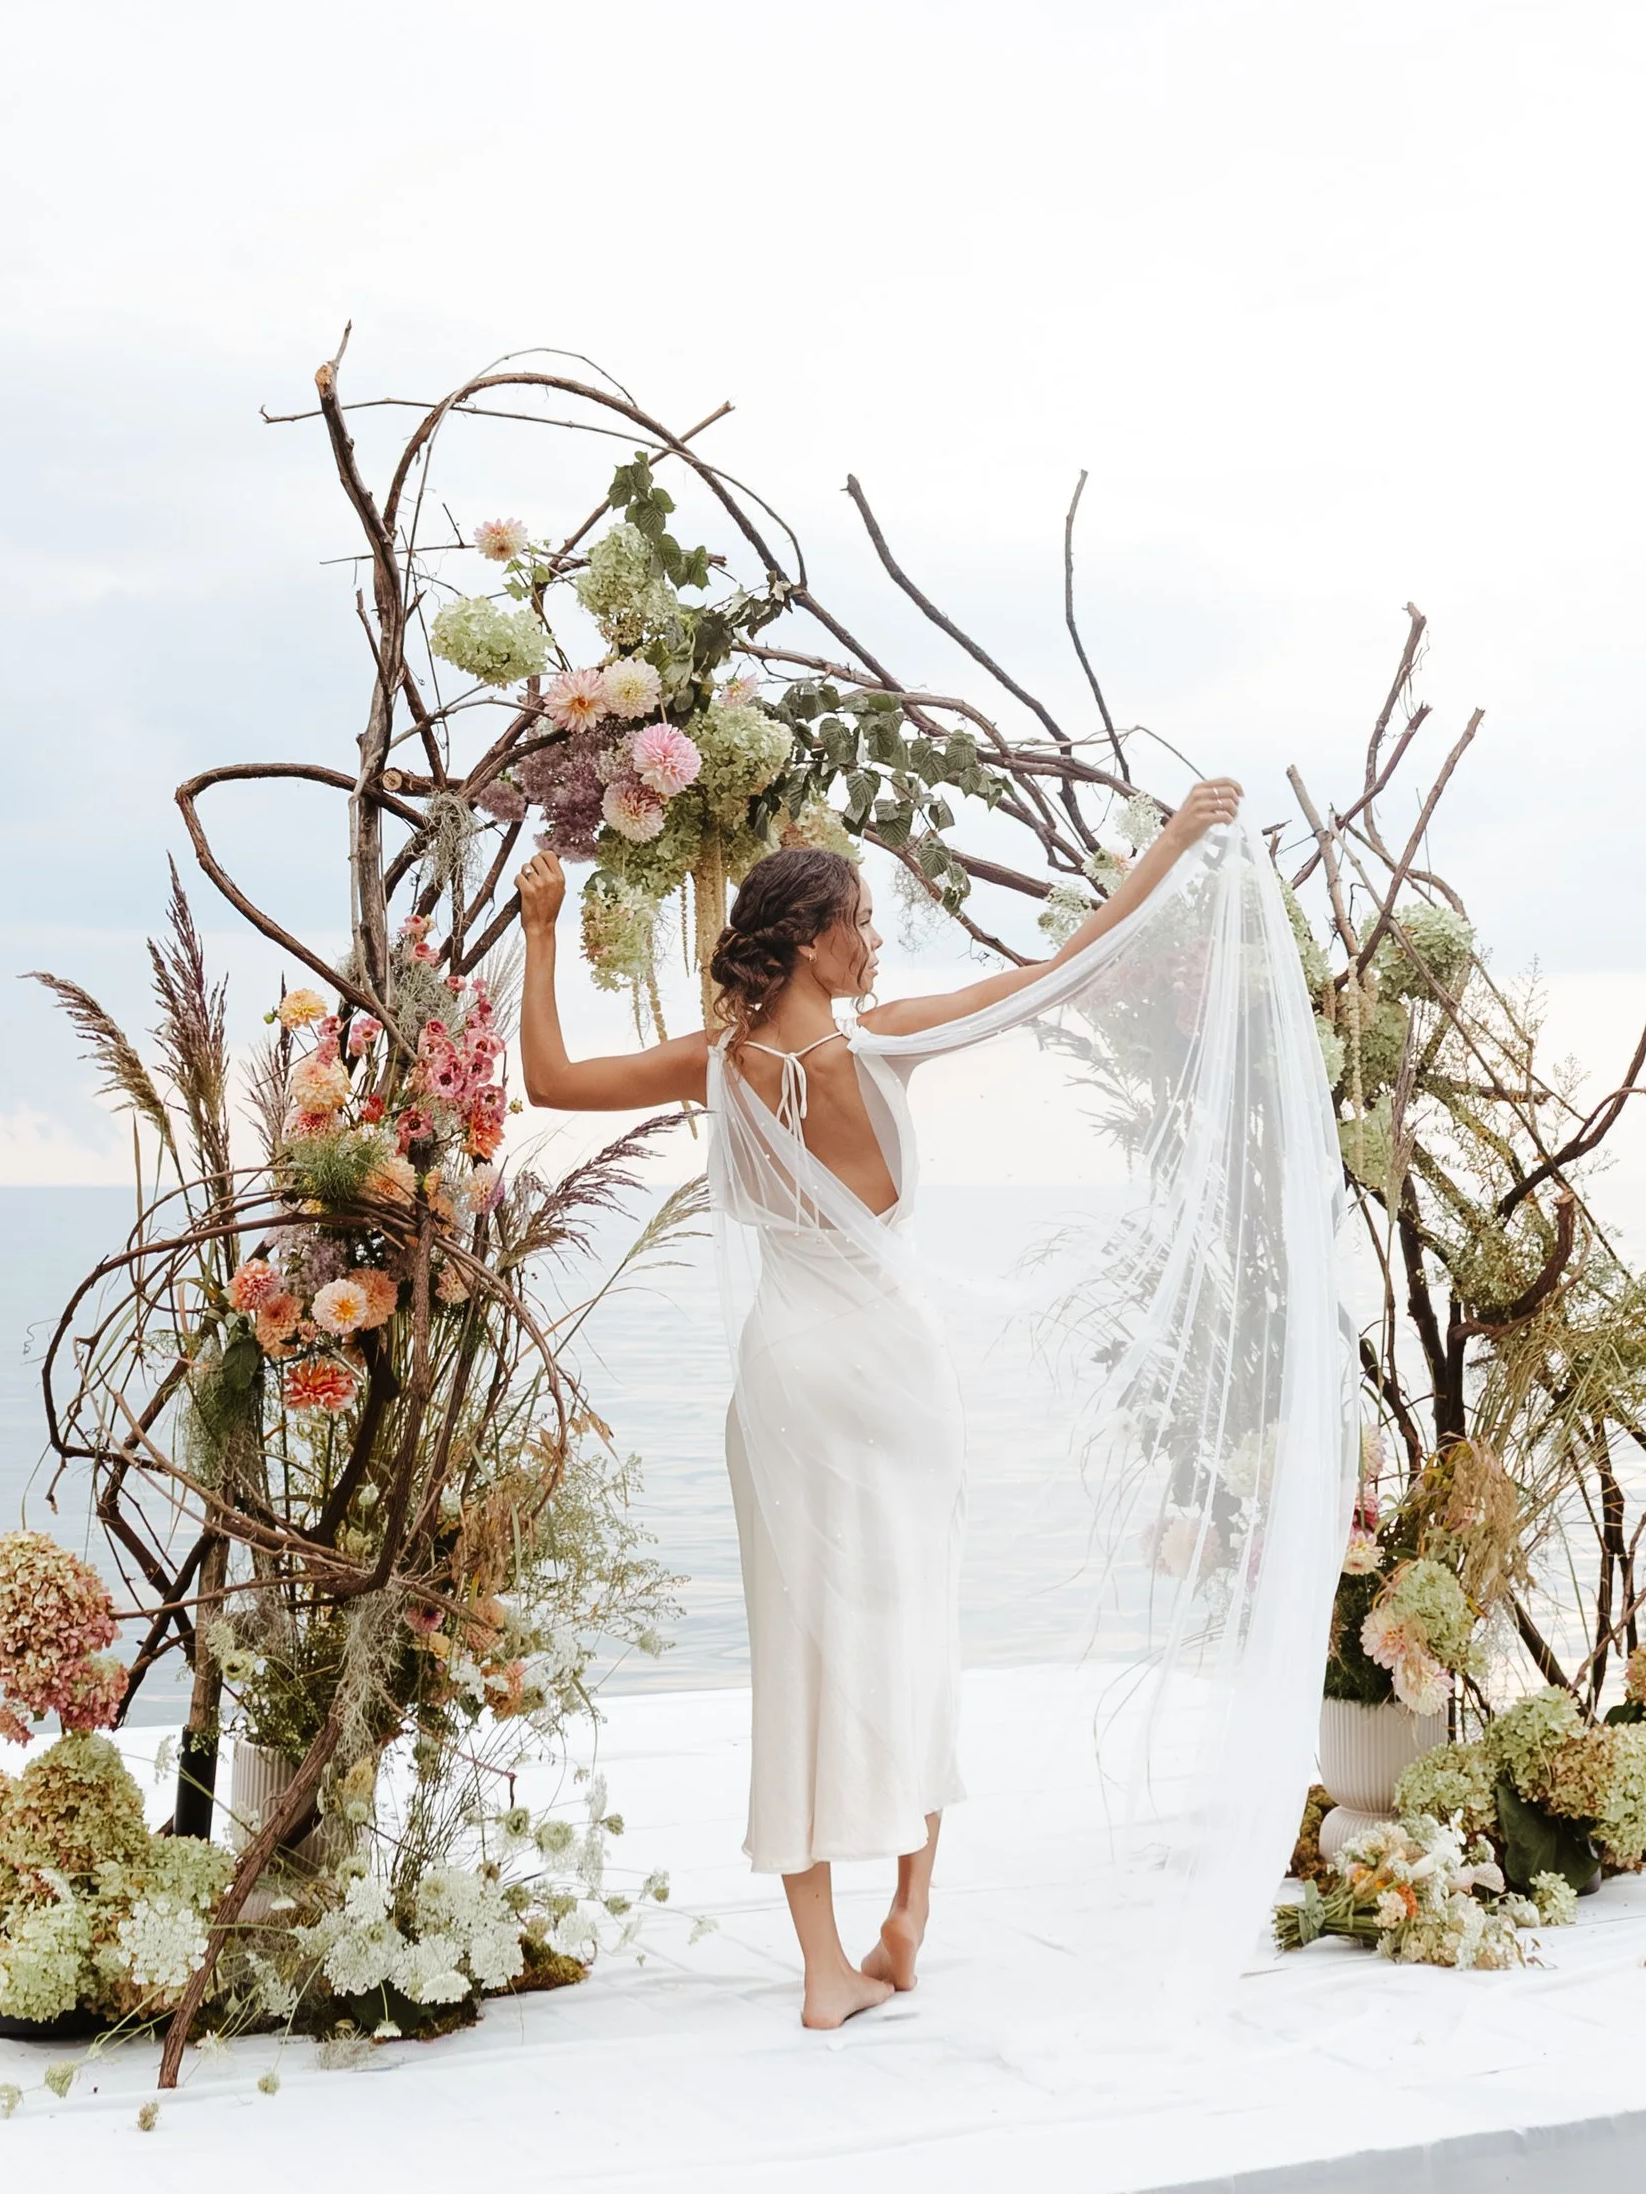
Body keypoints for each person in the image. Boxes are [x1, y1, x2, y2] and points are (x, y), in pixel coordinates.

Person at [513, 776, 1245, 2028]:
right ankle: (908, 1912)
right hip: (894, 1365)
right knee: (915, 1619)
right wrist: (1171, 842)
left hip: (785, 1371)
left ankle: (823, 1968)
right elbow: (1065, 968)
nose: (872, 941)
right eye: (857, 919)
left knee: (798, 1641)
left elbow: (552, 1082)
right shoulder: (887, 1039)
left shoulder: (716, 1066)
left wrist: (539, 935)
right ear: (807, 938)